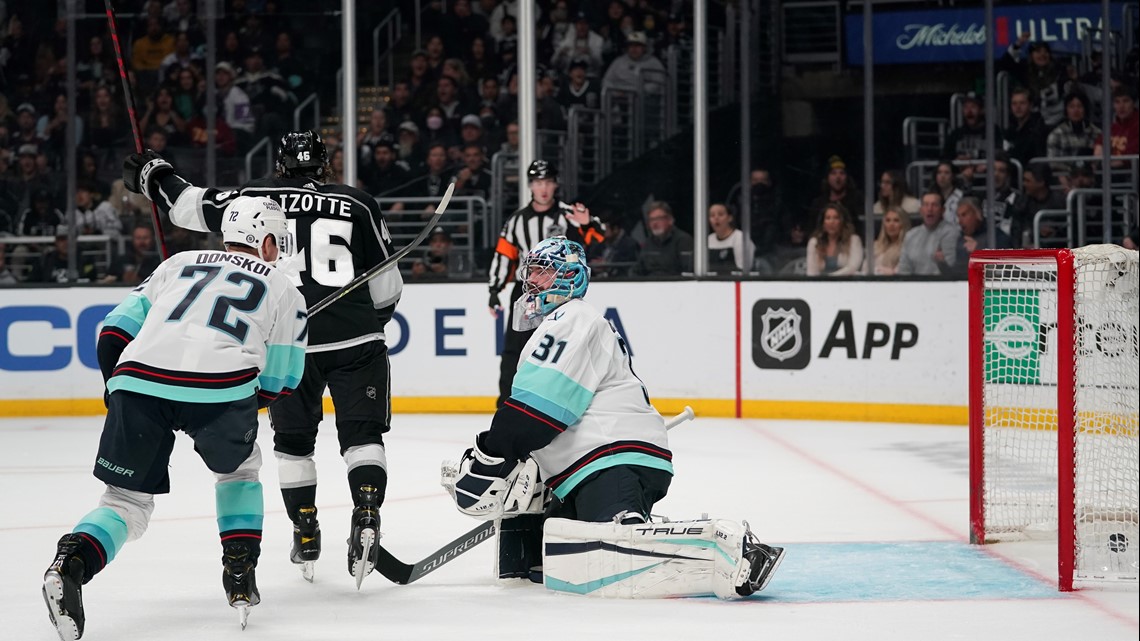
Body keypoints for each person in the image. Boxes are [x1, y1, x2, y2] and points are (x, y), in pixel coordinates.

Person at [122, 130, 403, 588]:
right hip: (355, 336)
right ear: (324, 165)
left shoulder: (253, 197)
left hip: (285, 339)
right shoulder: (358, 202)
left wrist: (155, 175)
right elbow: (387, 285)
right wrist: (367, 323)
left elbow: (189, 203)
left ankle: (305, 528)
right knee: (362, 437)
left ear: (281, 165)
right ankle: (367, 513)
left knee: (293, 444)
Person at [446, 237, 784, 599]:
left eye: (542, 272)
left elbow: (537, 410)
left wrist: (491, 456)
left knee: (616, 552)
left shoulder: (571, 317)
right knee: (557, 556)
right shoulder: (568, 322)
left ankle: (729, 551)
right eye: (531, 272)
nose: (531, 281)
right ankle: (626, 526)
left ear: (568, 277)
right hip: (590, 465)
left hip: (610, 458)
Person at [41, 197, 307, 639]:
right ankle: (239, 570)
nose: (277, 251)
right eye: (275, 243)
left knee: (125, 503)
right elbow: (283, 380)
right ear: (264, 242)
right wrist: (237, 404)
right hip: (220, 389)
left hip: (137, 381)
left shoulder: (178, 262)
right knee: (239, 471)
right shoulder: (284, 288)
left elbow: (112, 333)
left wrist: (117, 389)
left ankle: (71, 564)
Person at [488, 159, 605, 408]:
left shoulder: (568, 215)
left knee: (562, 344)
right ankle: (507, 404)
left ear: (555, 185)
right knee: (515, 348)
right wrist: (494, 290)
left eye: (548, 182)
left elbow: (598, 238)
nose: (543, 188)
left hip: (561, 292)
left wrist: (587, 224)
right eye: (539, 182)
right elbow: (503, 255)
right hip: (528, 294)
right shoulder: (517, 221)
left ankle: (562, 398)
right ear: (531, 186)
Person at [897, 191, 960, 275]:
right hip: (914, 285)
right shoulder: (911, 235)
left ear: (943, 210)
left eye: (935, 205)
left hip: (940, 285)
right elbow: (904, 268)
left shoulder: (950, 232)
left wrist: (942, 263)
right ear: (920, 210)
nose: (930, 209)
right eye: (926, 205)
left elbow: (952, 270)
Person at [805, 203, 863, 276]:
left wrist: (829, 278)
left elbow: (853, 267)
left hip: (846, 283)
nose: (831, 222)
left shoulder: (854, 240)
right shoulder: (814, 242)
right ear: (823, 223)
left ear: (842, 221)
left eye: (836, 218)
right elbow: (811, 272)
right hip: (820, 285)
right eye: (828, 218)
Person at [706, 203, 754, 273]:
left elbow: (743, 268)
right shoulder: (708, 239)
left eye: (720, 214)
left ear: (729, 218)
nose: (716, 218)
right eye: (712, 215)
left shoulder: (740, 238)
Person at [869, 206, 911, 276]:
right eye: (888, 220)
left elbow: (899, 272)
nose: (891, 224)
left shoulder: (908, 247)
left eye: (896, 220)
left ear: (903, 224)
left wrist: (878, 270)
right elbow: (865, 269)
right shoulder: (875, 245)